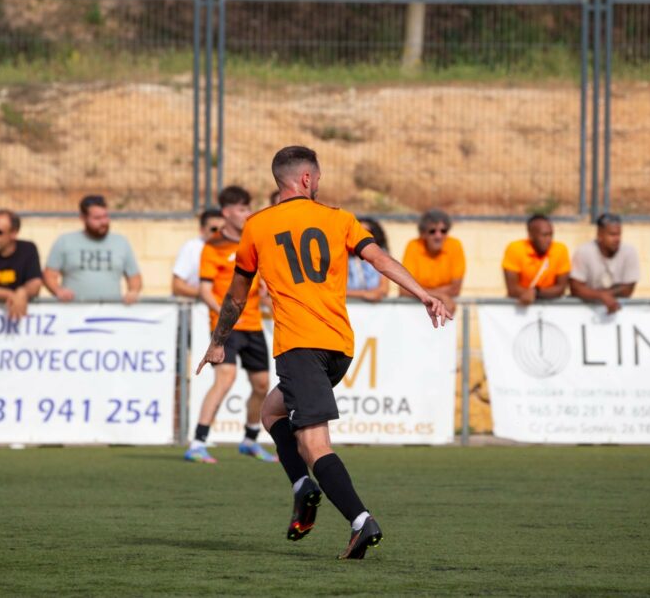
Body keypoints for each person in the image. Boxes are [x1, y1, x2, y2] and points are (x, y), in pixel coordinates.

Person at [195, 146, 451, 560]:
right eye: (319, 176)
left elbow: (237, 295)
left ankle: (360, 520)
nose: (320, 182)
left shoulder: (257, 226)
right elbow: (379, 259)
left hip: (300, 346)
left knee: (314, 444)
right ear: (307, 179)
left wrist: (218, 341)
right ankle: (302, 488)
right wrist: (423, 294)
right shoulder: (339, 218)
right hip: (339, 347)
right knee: (271, 412)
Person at [185, 186, 277, 465]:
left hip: (253, 324)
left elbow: (259, 276)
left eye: (248, 208)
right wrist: (226, 315)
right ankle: (198, 443)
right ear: (226, 212)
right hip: (226, 326)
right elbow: (205, 291)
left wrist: (264, 289)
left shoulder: (253, 241)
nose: (247, 214)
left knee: (262, 384)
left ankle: (250, 440)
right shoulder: (212, 246)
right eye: (241, 209)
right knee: (225, 378)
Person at [43, 195, 142, 304]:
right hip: (73, 310)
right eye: (97, 218)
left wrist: (133, 292)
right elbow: (49, 275)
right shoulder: (65, 241)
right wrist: (58, 291)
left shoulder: (121, 242)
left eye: (105, 216)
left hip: (112, 310)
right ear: (83, 218)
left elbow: (134, 277)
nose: (103, 222)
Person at [570, 213, 639, 313]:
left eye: (619, 234)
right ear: (600, 235)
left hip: (618, 311)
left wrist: (602, 295)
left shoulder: (629, 251)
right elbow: (576, 288)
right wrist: (601, 296)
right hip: (586, 311)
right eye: (612, 235)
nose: (617, 239)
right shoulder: (584, 251)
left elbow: (628, 288)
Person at [400, 209, 465, 314]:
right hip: (413, 312)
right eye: (432, 231)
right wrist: (440, 296)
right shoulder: (413, 246)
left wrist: (420, 292)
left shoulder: (455, 245)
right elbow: (404, 290)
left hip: (443, 310)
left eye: (443, 231)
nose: (438, 236)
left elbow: (455, 289)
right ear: (423, 234)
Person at [502, 214, 571, 305]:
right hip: (520, 306)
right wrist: (530, 294)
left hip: (551, 305)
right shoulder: (515, 249)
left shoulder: (560, 250)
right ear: (531, 235)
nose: (549, 239)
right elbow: (512, 289)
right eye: (544, 235)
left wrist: (536, 293)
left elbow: (561, 289)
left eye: (551, 235)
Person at [172, 208, 225, 297]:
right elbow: (177, 286)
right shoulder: (192, 247)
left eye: (223, 229)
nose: (219, 233)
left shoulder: (234, 247)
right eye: (214, 229)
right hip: (196, 304)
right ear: (202, 230)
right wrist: (209, 296)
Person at [346, 217, 389, 301]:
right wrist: (363, 294)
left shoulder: (381, 256)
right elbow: (337, 290)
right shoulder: (343, 256)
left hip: (373, 307)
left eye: (367, 233)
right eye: (358, 233)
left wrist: (375, 293)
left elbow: (384, 289)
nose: (361, 237)